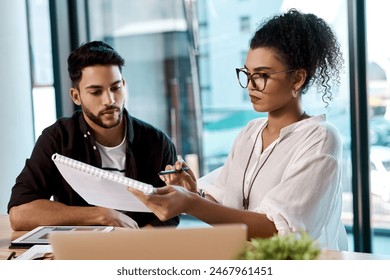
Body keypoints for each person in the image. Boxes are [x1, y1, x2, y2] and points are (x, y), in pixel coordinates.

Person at [130, 9, 347, 250]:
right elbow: (226, 203)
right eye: (247, 74)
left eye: (262, 75)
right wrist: (193, 192)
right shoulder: (250, 133)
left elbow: (277, 230)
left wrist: (191, 203)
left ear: (297, 79)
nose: (251, 86)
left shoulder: (320, 139)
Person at [8, 41, 179, 230]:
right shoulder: (58, 138)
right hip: (80, 253)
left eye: (115, 88)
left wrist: (136, 245)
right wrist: (101, 215)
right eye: (96, 92)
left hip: (138, 252)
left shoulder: (157, 142)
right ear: (76, 96)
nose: (110, 100)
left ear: (124, 85)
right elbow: (20, 213)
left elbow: (170, 214)